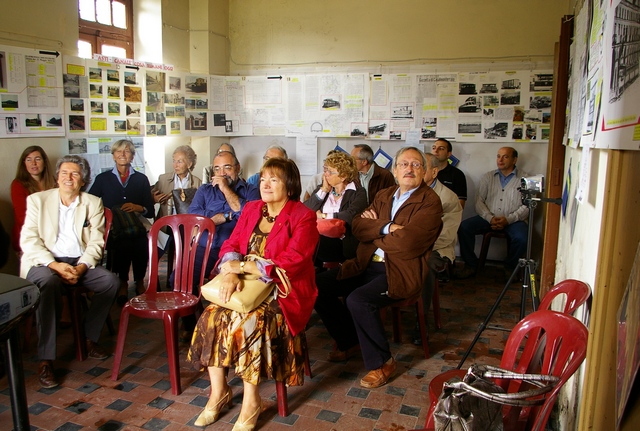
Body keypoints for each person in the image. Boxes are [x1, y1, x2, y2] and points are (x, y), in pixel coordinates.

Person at [188, 158, 319, 430]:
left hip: (283, 293)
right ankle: (218, 393)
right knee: (212, 314)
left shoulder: (302, 215)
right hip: (244, 286)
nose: (266, 184)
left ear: (290, 184)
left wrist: (245, 265)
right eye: (262, 179)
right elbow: (232, 242)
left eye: (274, 179)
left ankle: (251, 401)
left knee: (249, 323)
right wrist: (232, 272)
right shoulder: (251, 208)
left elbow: (292, 261)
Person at [314, 147, 442, 388]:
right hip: (364, 264)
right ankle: (349, 341)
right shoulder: (385, 194)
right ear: (394, 170)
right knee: (318, 286)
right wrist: (388, 228)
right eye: (404, 164)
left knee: (358, 300)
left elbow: (409, 244)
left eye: (416, 165)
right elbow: (360, 227)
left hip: (399, 271)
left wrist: (376, 231)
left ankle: (382, 362)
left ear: (424, 172)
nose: (409, 169)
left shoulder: (430, 202)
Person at [20, 155, 119, 388]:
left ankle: (88, 337)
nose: (68, 177)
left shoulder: (92, 202)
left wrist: (82, 266)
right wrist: (54, 265)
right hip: (44, 263)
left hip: (79, 261)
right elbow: (29, 241)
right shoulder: (37, 200)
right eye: (64, 173)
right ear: (56, 177)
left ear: (83, 180)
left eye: (75, 174)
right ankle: (46, 359)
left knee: (111, 282)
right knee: (48, 284)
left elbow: (96, 243)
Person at [184, 150, 260, 339]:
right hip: (205, 246)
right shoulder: (204, 190)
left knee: (227, 287)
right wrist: (222, 218)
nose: (222, 173)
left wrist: (226, 191)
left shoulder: (251, 190)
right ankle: (196, 327)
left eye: (227, 167)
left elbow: (250, 216)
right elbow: (195, 220)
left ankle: (227, 328)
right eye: (217, 169)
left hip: (235, 250)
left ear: (237, 168)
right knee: (179, 280)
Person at [89, 140, 155, 301]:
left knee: (141, 243)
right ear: (113, 156)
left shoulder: (141, 179)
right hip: (113, 229)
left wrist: (137, 207)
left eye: (127, 151)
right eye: (118, 151)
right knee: (122, 244)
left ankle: (139, 281)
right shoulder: (102, 179)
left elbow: (150, 211)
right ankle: (123, 283)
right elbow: (90, 202)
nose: (122, 155)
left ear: (132, 156)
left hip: (136, 226)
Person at [455, 147, 529, 279]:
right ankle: (471, 264)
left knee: (522, 237)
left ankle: (510, 267)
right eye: (498, 156)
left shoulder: (525, 179)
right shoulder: (488, 177)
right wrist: (490, 218)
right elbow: (479, 201)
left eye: (505, 157)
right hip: (488, 217)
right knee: (464, 227)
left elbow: (527, 206)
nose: (500, 160)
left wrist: (509, 219)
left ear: (514, 160)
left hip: (514, 220)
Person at [414, 153, 462, 344]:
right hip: (408, 246)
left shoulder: (448, 198)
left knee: (424, 267)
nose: (414, 170)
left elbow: (445, 236)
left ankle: (421, 321)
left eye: (421, 166)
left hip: (436, 249)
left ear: (434, 172)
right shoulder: (406, 191)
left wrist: (415, 245)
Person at [304, 151, 367, 263]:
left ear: (343, 176)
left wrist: (323, 216)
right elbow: (304, 211)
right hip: (319, 240)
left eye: (330, 172)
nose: (325, 174)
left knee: (309, 240)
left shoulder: (358, 192)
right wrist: (323, 190)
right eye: (325, 169)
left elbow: (350, 215)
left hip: (343, 243)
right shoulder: (322, 189)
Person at [11, 146, 56, 253]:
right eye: (29, 159)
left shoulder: (54, 182)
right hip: (29, 236)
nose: (33, 163)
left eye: (37, 159)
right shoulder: (18, 185)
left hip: (52, 235)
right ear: (24, 163)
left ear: (44, 162)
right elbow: (22, 218)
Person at [151, 145, 202, 219]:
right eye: (174, 161)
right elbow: (148, 201)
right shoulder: (163, 179)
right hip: (167, 225)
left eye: (179, 162)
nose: (175, 165)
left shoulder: (198, 183)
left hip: (188, 224)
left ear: (189, 164)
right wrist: (153, 199)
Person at [431, 138, 468, 208]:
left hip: (446, 215)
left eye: (441, 148)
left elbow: (460, 204)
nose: (436, 151)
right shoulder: (424, 172)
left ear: (448, 154)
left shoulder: (458, 175)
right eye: (434, 148)